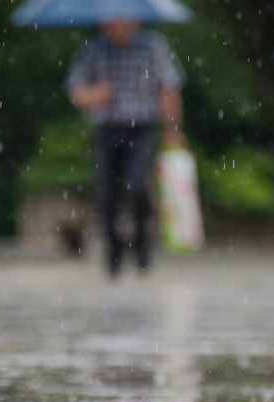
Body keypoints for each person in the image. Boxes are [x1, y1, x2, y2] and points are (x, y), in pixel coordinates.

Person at [66, 18, 186, 276]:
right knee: (106, 194)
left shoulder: (153, 47)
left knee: (138, 186)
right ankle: (114, 251)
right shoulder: (92, 50)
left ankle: (142, 245)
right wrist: (94, 95)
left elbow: (169, 88)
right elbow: (75, 92)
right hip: (106, 130)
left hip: (140, 128)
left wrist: (173, 129)